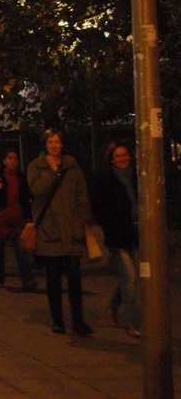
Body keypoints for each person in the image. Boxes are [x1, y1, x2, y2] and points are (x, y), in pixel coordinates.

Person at [27, 128, 94, 336]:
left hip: (71, 230)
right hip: (50, 231)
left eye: (57, 142)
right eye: (50, 142)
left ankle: (78, 320)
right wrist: (53, 172)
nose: (54, 146)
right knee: (53, 278)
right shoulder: (36, 166)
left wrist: (82, 218)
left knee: (74, 279)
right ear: (45, 145)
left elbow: (82, 195)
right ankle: (58, 320)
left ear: (62, 144)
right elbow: (37, 189)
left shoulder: (72, 167)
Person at [89, 142, 140, 338]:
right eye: (118, 156)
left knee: (131, 277)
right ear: (111, 160)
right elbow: (98, 207)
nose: (122, 159)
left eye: (125, 154)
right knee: (130, 277)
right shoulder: (106, 180)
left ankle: (113, 307)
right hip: (117, 235)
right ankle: (133, 322)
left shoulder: (137, 176)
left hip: (136, 233)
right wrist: (108, 224)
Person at [0, 149, 36, 290]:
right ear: (5, 160)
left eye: (15, 158)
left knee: (22, 251)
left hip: (17, 219)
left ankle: (28, 280)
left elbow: (25, 197)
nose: (13, 161)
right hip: (0, 219)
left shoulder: (21, 177)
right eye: (10, 158)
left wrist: (27, 213)